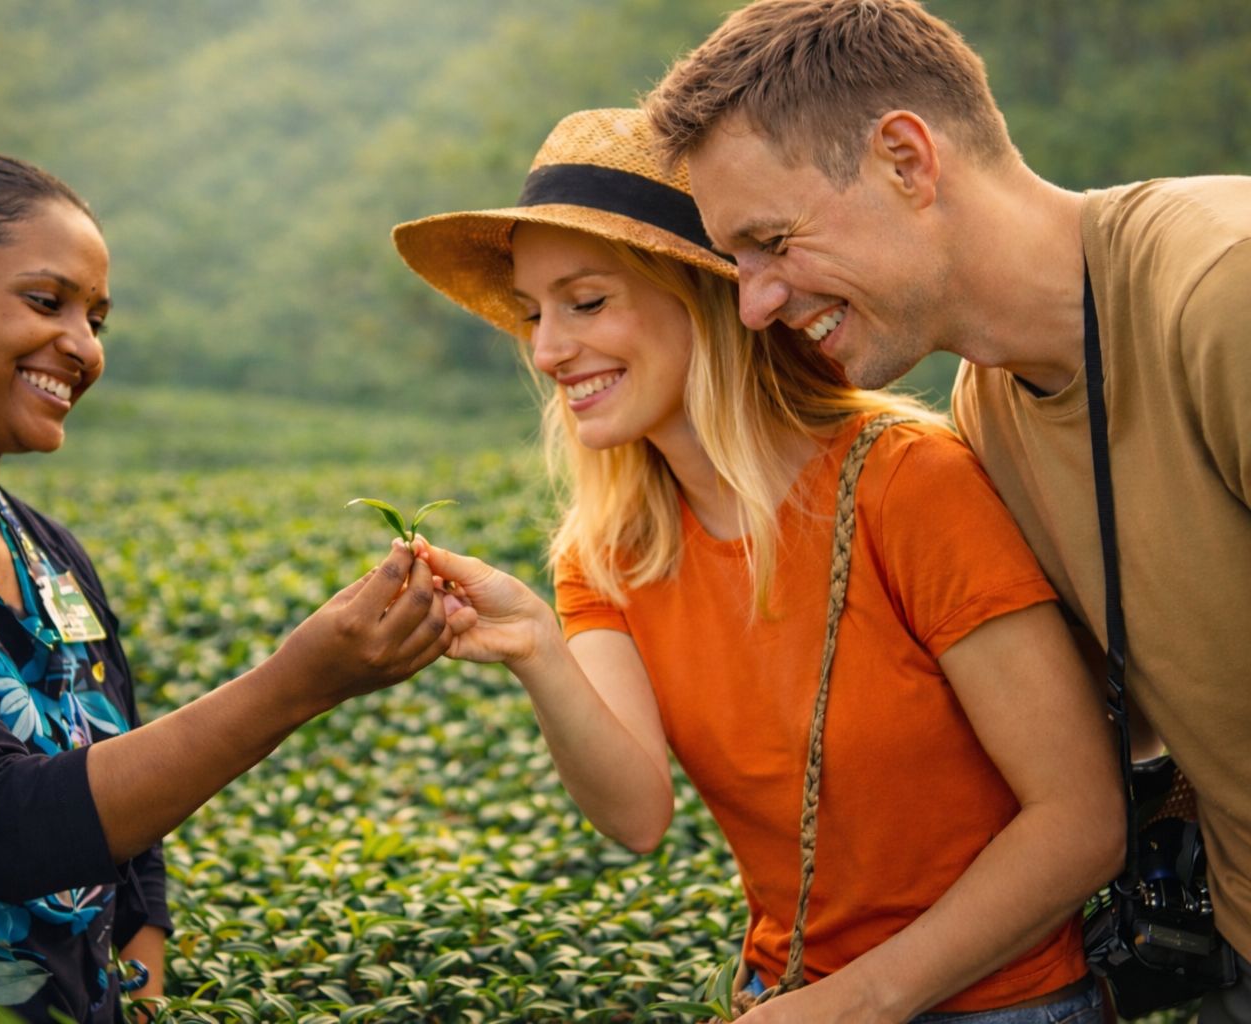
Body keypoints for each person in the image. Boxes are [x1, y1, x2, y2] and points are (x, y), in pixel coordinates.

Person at [391, 107, 1121, 1023]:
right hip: (785, 998)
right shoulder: (608, 547)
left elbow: (1082, 823)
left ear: (700, 295)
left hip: (1001, 1008)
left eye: (586, 302)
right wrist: (539, 646)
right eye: (535, 316)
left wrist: (859, 1003)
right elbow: (636, 815)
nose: (547, 351)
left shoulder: (904, 483)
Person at [0, 150, 458, 1021]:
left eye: (97, 317)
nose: (83, 346)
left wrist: (139, 979)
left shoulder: (50, 554)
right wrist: (298, 683)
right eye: (47, 301)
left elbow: (117, 804)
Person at [643, 2, 1251, 1019]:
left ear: (905, 160)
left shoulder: (1221, 292)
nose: (754, 303)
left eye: (772, 241)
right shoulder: (989, 403)